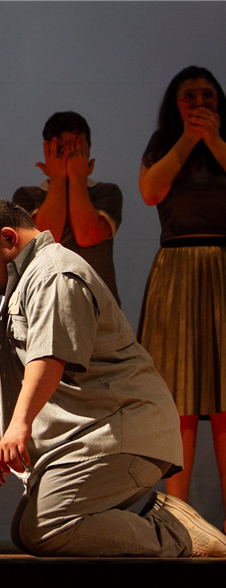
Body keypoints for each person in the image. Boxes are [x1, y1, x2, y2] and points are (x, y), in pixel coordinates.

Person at [0, 197, 226, 557]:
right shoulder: (26, 278)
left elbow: (50, 359)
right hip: (93, 436)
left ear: (8, 238)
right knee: (25, 529)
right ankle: (152, 513)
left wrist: (18, 426)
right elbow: (29, 375)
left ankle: (177, 535)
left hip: (123, 431)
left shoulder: (54, 274)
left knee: (47, 527)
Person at [137, 65, 226, 532]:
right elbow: (150, 192)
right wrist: (189, 141)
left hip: (224, 268)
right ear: (176, 103)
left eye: (207, 95)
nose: (198, 104)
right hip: (176, 268)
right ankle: (183, 522)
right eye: (189, 96)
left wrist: (213, 140)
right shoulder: (163, 146)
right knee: (181, 402)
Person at [12, 111, 122, 303]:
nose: (70, 157)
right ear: (48, 151)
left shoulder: (107, 191)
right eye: (61, 150)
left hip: (99, 305)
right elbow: (47, 236)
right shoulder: (26, 196)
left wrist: (77, 178)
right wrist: (58, 178)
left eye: (77, 149)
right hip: (46, 302)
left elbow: (88, 235)